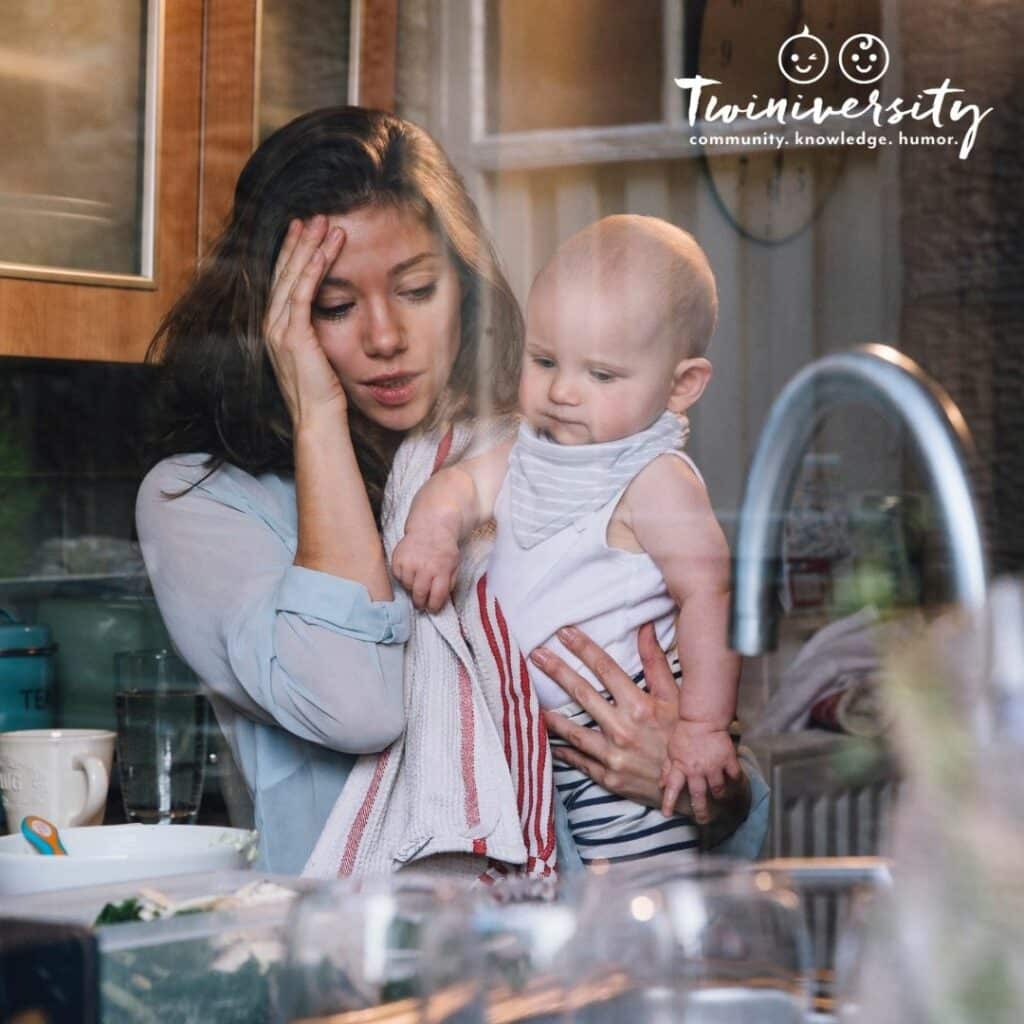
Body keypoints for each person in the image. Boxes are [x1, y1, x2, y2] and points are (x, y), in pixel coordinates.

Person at [136, 106, 764, 875]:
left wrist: (698, 782)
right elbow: (357, 705)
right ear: (273, 318)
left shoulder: (543, 455)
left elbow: (731, 795)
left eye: (417, 289)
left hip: (574, 941)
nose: (385, 337)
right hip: (359, 967)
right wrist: (318, 412)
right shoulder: (202, 504)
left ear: (464, 289)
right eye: (333, 306)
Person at [393, 216, 741, 864]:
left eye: (603, 375)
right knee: (557, 899)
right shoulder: (531, 451)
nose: (562, 391)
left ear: (680, 385)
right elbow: (462, 487)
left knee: (638, 895)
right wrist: (433, 532)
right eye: (545, 360)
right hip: (535, 744)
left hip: (621, 742)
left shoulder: (653, 477)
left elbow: (710, 594)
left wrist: (700, 727)